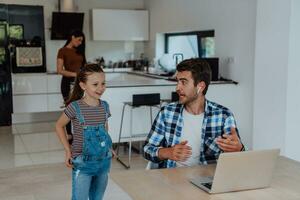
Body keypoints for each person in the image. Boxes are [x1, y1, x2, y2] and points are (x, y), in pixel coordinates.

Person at [143, 58, 245, 169]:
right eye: (177, 81)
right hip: (172, 179)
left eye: (183, 82)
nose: (177, 88)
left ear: (200, 86)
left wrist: (239, 149)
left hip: (208, 180)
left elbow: (237, 157)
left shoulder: (224, 116)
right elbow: (146, 149)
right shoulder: (167, 113)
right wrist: (168, 152)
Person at [55, 63, 114, 200]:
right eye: (95, 84)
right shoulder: (75, 107)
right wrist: (68, 150)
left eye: (103, 83)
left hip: (104, 162)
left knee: (97, 198)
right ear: (83, 86)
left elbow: (104, 129)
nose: (101, 88)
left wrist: (108, 147)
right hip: (82, 163)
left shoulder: (105, 106)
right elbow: (59, 125)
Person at [57, 30, 86, 144]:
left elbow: (83, 66)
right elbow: (59, 70)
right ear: (72, 37)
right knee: (70, 108)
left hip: (80, 83)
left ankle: (80, 134)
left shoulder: (80, 51)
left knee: (81, 108)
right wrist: (76, 75)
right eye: (79, 40)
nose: (80, 43)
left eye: (82, 41)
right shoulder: (62, 51)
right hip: (67, 83)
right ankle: (69, 135)